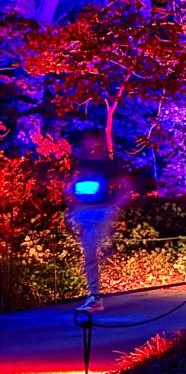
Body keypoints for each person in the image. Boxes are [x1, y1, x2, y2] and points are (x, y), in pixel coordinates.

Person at [67, 129, 132, 311]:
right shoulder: (81, 164)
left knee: (90, 255)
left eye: (91, 141)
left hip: (97, 214)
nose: (88, 145)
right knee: (90, 255)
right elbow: (75, 189)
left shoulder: (106, 165)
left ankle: (95, 298)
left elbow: (126, 186)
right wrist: (73, 206)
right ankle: (94, 296)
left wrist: (112, 206)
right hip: (83, 214)